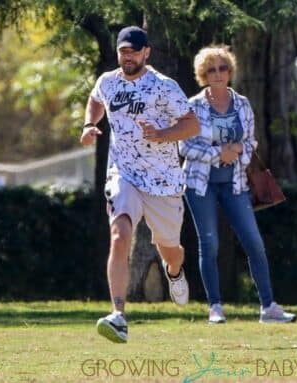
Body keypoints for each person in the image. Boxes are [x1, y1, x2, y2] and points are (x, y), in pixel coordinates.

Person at [80, 26, 200, 343]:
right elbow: (95, 99)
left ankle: (174, 272)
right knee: (119, 236)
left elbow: (192, 124)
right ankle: (118, 315)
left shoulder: (163, 86)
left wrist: (161, 135)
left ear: (146, 52)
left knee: (170, 250)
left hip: (163, 182)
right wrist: (90, 124)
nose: (127, 56)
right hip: (124, 174)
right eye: (123, 51)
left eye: (133, 50)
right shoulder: (108, 82)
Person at [180, 45, 296, 324]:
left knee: (254, 242)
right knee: (209, 244)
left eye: (222, 68)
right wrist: (219, 153)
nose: (218, 74)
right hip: (200, 184)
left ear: (230, 71)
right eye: (211, 69)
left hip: (235, 183)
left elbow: (251, 142)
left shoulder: (242, 103)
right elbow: (184, 146)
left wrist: (239, 151)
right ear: (202, 75)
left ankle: (269, 307)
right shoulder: (193, 105)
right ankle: (215, 307)